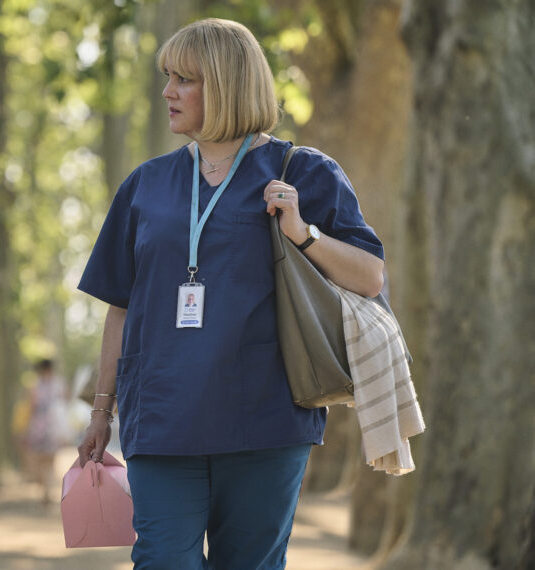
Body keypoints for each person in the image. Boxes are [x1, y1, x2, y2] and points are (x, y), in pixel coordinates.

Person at [76, 18, 384, 570]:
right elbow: (120, 307)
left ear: (225, 86)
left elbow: (369, 277)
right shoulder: (145, 185)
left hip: (266, 421)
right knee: (162, 561)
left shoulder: (306, 172)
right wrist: (102, 412)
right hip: (162, 421)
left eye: (183, 79)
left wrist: (304, 233)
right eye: (167, 77)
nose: (167, 92)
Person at [22, 359, 70, 505]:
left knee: (40, 460)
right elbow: (66, 404)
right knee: (50, 460)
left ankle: (45, 489)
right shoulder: (60, 384)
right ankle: (47, 489)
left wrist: (26, 428)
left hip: (39, 426)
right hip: (53, 426)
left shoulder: (35, 386)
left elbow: (31, 407)